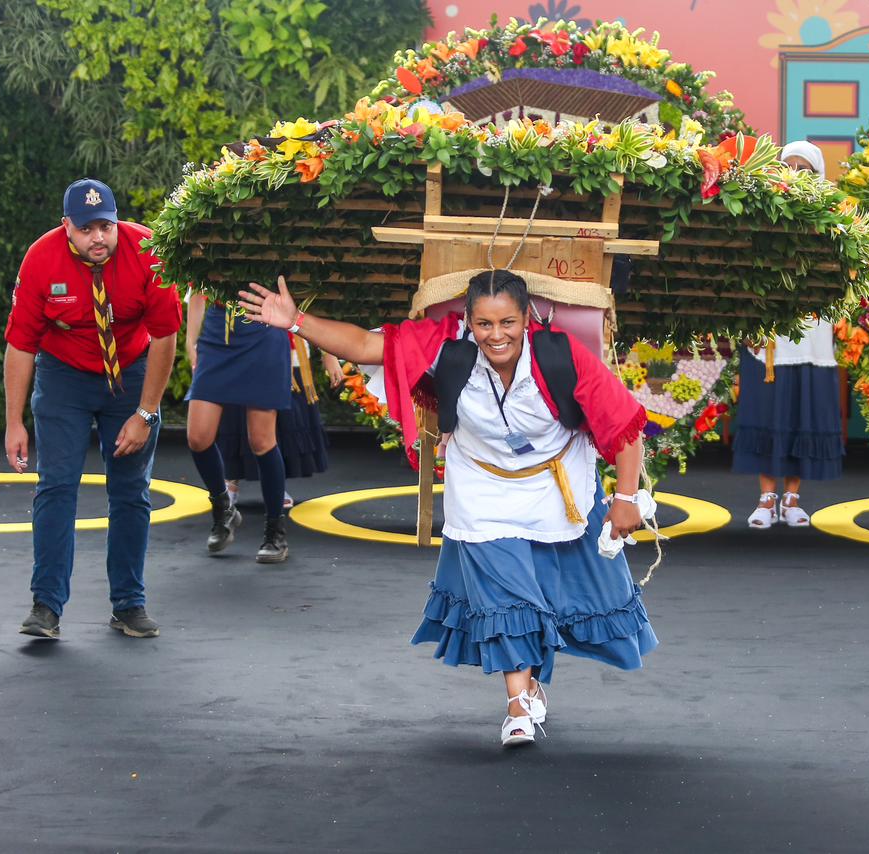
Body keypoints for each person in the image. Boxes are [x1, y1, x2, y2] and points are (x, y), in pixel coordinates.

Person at [237, 270, 657, 748]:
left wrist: (625, 498)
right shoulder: (446, 347)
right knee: (506, 597)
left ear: (527, 319)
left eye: (507, 323)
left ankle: (534, 680)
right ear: (467, 320)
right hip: (480, 490)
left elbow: (623, 422)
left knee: (549, 598)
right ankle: (518, 705)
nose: (495, 335)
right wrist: (295, 322)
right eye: (483, 324)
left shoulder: (562, 355)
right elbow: (363, 345)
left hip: (555, 488)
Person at [3, 178, 180, 639]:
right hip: (64, 377)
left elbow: (165, 336)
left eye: (106, 225)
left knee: (130, 490)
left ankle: (129, 604)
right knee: (57, 485)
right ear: (67, 227)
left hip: (132, 373)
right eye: (86, 229)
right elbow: (21, 345)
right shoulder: (41, 259)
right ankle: (46, 606)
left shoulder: (149, 251)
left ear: (117, 221)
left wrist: (145, 413)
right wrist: (13, 422)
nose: (97, 237)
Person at [735, 139, 844, 528]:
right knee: (768, 411)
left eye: (805, 169)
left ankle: (793, 498)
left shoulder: (835, 221)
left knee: (802, 413)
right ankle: (766, 498)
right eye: (789, 166)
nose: (795, 174)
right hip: (769, 336)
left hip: (812, 334)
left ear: (818, 177)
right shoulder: (763, 215)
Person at [185, 289, 292, 563]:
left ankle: (274, 531)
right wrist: (191, 342)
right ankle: (223, 509)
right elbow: (196, 286)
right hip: (218, 329)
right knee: (198, 437)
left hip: (265, 326)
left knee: (261, 440)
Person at [215, 335, 343, 509]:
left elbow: (311, 312)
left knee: (282, 421)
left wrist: (329, 352)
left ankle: (274, 484)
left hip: (289, 352)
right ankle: (230, 480)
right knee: (238, 413)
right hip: (241, 344)